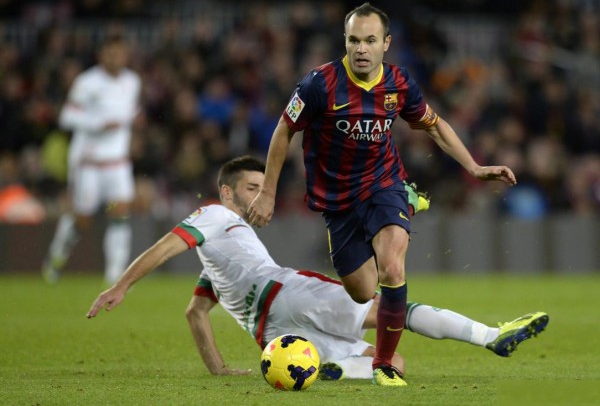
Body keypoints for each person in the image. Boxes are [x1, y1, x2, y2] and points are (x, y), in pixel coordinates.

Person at [246, 2, 518, 386]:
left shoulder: (399, 84)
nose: (361, 48)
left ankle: (384, 365)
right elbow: (283, 131)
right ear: (345, 41)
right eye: (354, 40)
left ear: (385, 43)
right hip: (338, 202)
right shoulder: (318, 84)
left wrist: (474, 167)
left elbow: (435, 126)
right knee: (362, 292)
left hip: (384, 184)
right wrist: (268, 192)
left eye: (370, 40)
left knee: (392, 266)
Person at [87, 156, 547, 380]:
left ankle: (337, 371)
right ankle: (491, 336)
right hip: (289, 294)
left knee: (393, 362)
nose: (256, 195)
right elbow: (169, 244)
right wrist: (121, 285)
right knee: (390, 312)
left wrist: (219, 371)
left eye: (261, 186)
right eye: (249, 187)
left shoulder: (222, 259)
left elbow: (195, 313)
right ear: (226, 193)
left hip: (275, 338)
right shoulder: (215, 214)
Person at [42, 35, 142, 285]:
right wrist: (98, 123)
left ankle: (115, 274)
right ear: (102, 55)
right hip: (89, 162)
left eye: (119, 53)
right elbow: (67, 117)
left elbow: (129, 113)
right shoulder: (87, 82)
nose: (115, 58)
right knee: (82, 219)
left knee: (119, 212)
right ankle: (56, 257)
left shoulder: (132, 81)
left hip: (117, 162)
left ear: (126, 56)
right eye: (110, 53)